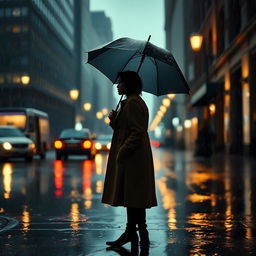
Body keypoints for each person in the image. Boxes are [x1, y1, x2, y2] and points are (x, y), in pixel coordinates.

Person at [102, 71, 157, 251]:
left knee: (134, 197)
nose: (118, 85)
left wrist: (122, 152)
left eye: (120, 82)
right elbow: (125, 129)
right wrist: (114, 121)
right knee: (134, 198)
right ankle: (137, 233)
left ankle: (136, 234)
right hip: (135, 158)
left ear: (128, 84)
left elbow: (136, 132)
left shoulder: (133, 103)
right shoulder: (130, 103)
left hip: (133, 159)